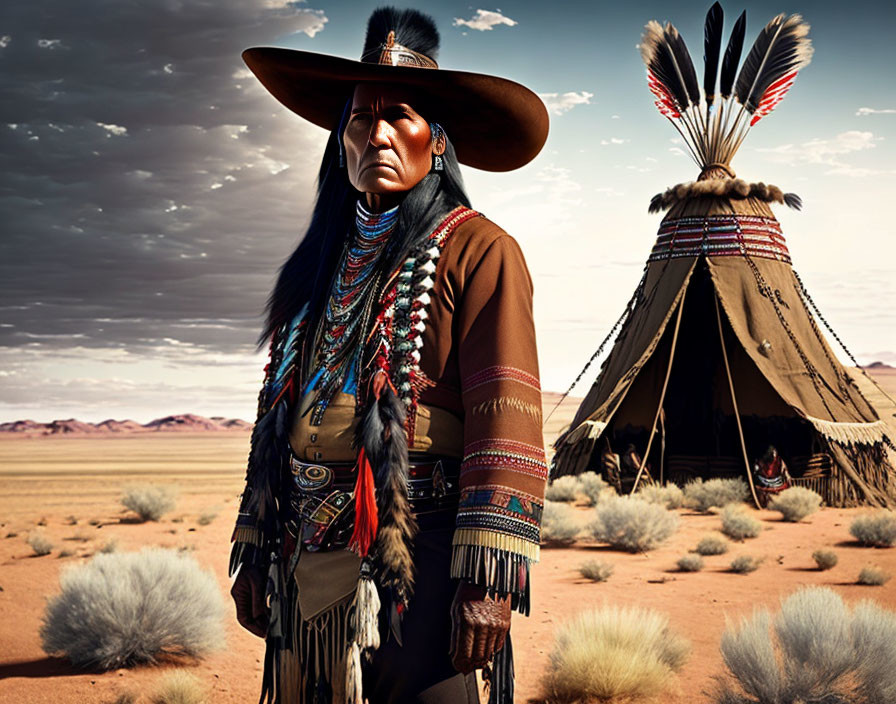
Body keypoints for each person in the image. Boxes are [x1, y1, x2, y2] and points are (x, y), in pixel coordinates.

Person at [228, 7, 550, 704]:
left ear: (436, 141)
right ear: (339, 142)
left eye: (397, 115)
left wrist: (487, 581)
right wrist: (254, 545)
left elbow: (508, 419)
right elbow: (272, 418)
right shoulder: (315, 264)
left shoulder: (481, 249)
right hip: (304, 557)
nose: (375, 133)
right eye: (358, 119)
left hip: (421, 559)